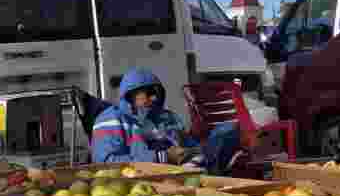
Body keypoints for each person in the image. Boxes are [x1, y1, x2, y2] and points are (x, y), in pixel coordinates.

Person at [92, 68, 243, 173]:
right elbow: (106, 163)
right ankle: (213, 167)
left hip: (183, 168)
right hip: (145, 179)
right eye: (149, 93)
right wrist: (163, 157)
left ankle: (212, 164)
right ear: (131, 94)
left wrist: (192, 148)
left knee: (228, 129)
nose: (155, 98)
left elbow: (188, 143)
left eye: (156, 92)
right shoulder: (110, 120)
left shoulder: (166, 116)